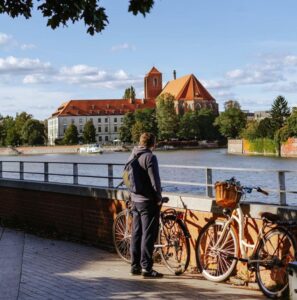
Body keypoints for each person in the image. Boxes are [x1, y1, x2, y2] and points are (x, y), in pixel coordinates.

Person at [128, 132, 163, 278]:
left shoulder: (133, 154)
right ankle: (146, 268)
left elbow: (126, 176)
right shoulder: (150, 157)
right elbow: (155, 181)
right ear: (153, 143)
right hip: (147, 202)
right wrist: (159, 197)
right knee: (148, 235)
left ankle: (134, 266)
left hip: (135, 200)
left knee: (136, 233)